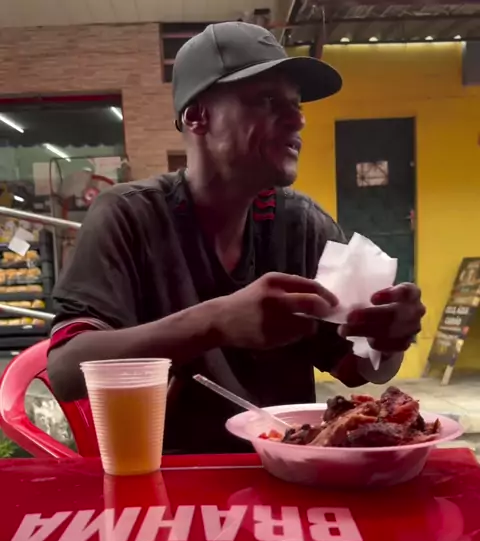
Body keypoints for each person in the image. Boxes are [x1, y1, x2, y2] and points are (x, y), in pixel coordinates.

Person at [48, 21, 425, 455]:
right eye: (267, 100)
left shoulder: (302, 226)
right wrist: (214, 322)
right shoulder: (130, 216)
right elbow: (66, 369)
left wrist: (386, 341)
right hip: (169, 477)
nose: (298, 119)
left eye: (296, 104)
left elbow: (357, 370)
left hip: (287, 471)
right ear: (197, 116)